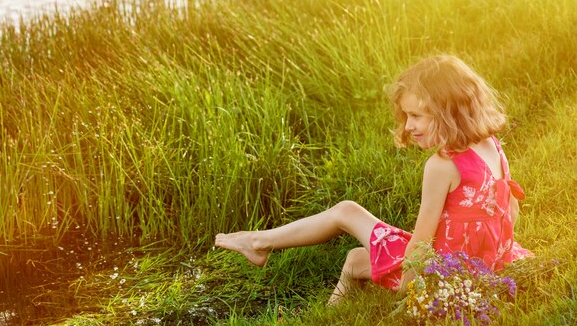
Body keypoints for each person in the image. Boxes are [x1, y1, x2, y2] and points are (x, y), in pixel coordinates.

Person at [215, 54, 532, 305]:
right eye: (406, 116)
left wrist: (411, 294)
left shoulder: (442, 166)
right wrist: (500, 258)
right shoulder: (490, 145)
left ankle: (257, 242)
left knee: (346, 211)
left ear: (448, 110)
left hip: (444, 278)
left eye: (417, 115)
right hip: (487, 266)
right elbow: (510, 211)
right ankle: (329, 319)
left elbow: (420, 244)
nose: (408, 126)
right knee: (355, 259)